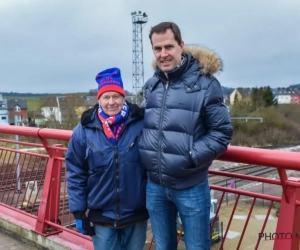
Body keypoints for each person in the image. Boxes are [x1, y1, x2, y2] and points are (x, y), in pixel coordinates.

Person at [138, 22, 233, 250]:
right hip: (155, 185)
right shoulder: (152, 85)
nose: (163, 54)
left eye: (169, 47)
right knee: (163, 246)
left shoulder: (205, 84)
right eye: (157, 49)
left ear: (181, 46)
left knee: (197, 247)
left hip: (191, 185)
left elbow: (221, 132)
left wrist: (190, 155)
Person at [66, 67, 148, 250]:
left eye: (116, 96)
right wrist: (79, 212)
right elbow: (75, 172)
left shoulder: (140, 124)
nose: (112, 102)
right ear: (99, 99)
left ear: (123, 96)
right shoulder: (84, 131)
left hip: (136, 214)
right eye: (106, 97)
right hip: (102, 216)